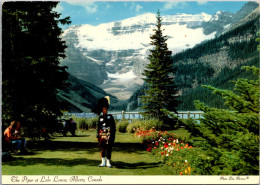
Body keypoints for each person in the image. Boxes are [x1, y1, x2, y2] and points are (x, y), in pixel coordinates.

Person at [95, 96, 116, 168]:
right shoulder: (100, 117)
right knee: (102, 148)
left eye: (105, 109)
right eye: (103, 109)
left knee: (108, 148)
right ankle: (103, 162)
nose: (104, 110)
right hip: (101, 135)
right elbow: (98, 127)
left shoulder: (110, 117)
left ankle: (108, 162)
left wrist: (112, 135)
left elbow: (113, 127)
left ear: (107, 109)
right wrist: (97, 135)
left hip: (108, 135)